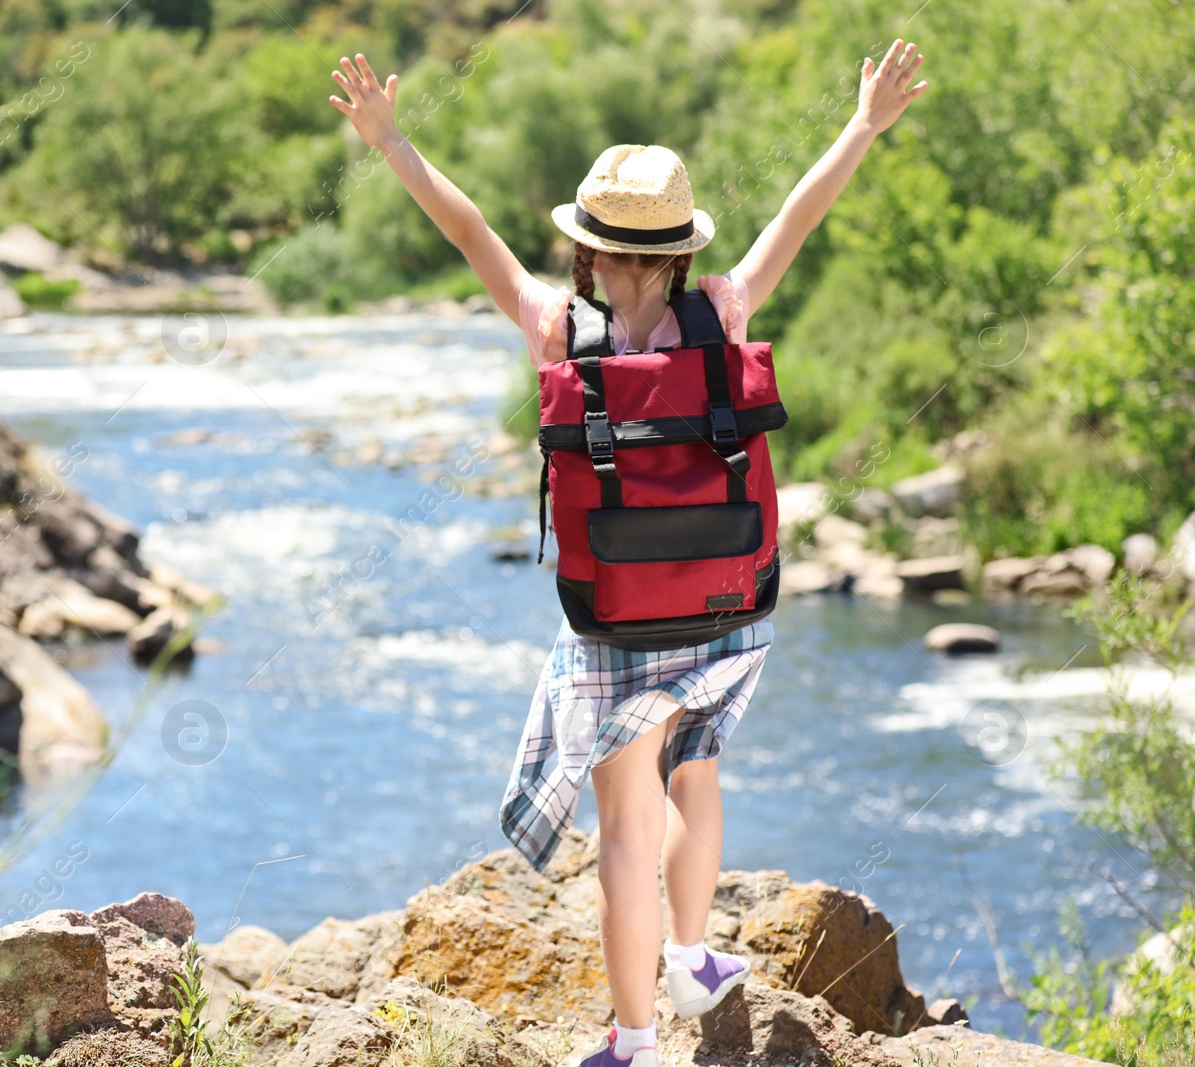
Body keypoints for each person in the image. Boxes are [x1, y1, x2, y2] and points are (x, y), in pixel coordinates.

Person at [329, 39, 928, 1062]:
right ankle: (694, 953)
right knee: (696, 767)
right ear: (680, 250)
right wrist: (862, 125)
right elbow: (797, 216)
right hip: (726, 596)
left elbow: (467, 228)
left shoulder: (557, 327)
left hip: (613, 614)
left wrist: (390, 142)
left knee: (623, 835)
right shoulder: (721, 313)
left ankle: (635, 1038)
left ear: (588, 247)